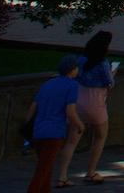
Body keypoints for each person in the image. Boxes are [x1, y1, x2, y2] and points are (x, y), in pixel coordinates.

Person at [57, 31, 115, 186]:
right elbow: (109, 82)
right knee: (100, 137)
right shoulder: (103, 63)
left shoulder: (81, 60)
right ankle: (90, 172)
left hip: (78, 100)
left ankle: (62, 176)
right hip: (95, 102)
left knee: (71, 141)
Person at [25, 56, 84, 193]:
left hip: (38, 130)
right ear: (72, 70)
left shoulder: (47, 84)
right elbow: (70, 111)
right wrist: (80, 125)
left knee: (46, 167)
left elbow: (32, 108)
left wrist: (27, 127)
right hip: (54, 131)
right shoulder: (72, 85)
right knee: (42, 170)